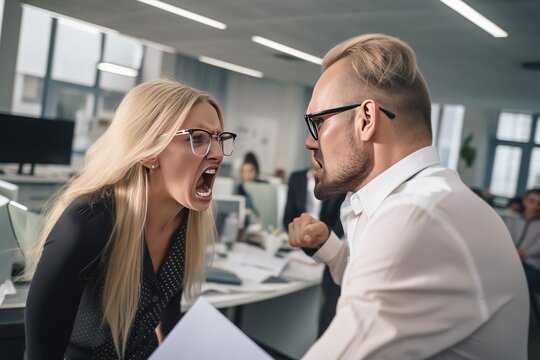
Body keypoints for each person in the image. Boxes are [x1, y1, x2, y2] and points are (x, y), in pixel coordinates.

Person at [288, 33, 529, 359]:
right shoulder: (422, 199)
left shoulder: (417, 216)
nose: (309, 141)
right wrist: (331, 250)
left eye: (318, 122)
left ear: (366, 119)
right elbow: (376, 286)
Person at [24, 79, 237, 359]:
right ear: (150, 151)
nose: (219, 154)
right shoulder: (88, 222)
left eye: (219, 138)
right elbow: (41, 352)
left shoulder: (187, 223)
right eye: (197, 138)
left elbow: (167, 321)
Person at [283, 159, 345, 336]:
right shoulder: (297, 178)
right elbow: (287, 218)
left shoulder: (338, 181)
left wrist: (323, 240)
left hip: (325, 248)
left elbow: (339, 226)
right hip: (300, 246)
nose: (312, 146)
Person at [503, 189, 540, 290]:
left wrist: (523, 254)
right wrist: (514, 252)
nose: (535, 206)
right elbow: (506, 239)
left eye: (539, 203)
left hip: (531, 265)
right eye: (532, 201)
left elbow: (538, 247)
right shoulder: (512, 220)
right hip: (510, 259)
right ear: (524, 201)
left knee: (511, 276)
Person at [236, 152, 267, 225]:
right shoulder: (240, 188)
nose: (247, 174)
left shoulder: (264, 186)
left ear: (256, 172)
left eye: (250, 171)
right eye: (244, 171)